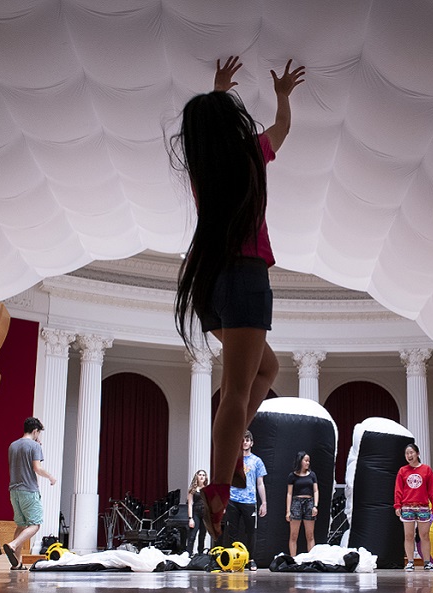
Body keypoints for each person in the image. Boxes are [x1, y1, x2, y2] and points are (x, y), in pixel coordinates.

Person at [171, 55, 305, 540]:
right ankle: (220, 491)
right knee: (237, 393)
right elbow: (283, 127)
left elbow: (213, 129)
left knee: (265, 372)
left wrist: (219, 90)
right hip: (245, 278)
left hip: (209, 283)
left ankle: (229, 460)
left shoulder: (202, 171)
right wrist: (283, 94)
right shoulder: (250, 153)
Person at [3, 417, 56, 570]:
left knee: (21, 525)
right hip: (29, 490)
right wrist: (51, 477)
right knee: (35, 525)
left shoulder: (13, 445)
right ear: (35, 431)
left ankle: (17, 563)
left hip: (14, 491)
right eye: (38, 433)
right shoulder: (34, 445)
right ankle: (12, 545)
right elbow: (37, 468)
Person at [394, 443, 433, 571]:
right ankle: (410, 562)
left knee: (424, 535)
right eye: (407, 453)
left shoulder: (426, 470)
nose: (409, 455)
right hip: (407, 507)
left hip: (423, 507)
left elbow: (432, 489)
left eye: (411, 452)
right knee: (409, 535)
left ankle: (427, 562)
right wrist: (397, 505)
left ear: (417, 454)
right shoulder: (402, 471)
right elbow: (398, 490)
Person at [222, 430, 267, 556]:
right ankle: (231, 559)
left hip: (249, 501)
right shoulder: (232, 460)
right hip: (233, 500)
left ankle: (251, 559)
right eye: (242, 440)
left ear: (251, 443)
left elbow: (260, 483)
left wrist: (264, 503)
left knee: (251, 531)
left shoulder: (257, 461)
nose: (244, 443)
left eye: (247, 440)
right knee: (232, 531)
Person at [285, 451, 319, 557]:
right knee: (294, 535)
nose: (308, 463)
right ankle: (293, 559)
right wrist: (288, 511)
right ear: (300, 461)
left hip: (309, 503)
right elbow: (289, 493)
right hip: (296, 503)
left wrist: (315, 505)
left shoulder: (312, 475)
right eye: (306, 460)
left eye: (308, 461)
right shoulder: (292, 476)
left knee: (310, 535)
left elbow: (316, 491)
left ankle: (311, 559)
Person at [186, 469, 209, 555]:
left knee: (202, 535)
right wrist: (190, 518)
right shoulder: (192, 489)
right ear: (197, 476)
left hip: (205, 514)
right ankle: (189, 553)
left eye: (203, 475)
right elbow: (190, 504)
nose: (202, 476)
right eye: (200, 475)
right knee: (192, 535)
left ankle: (200, 554)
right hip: (196, 512)